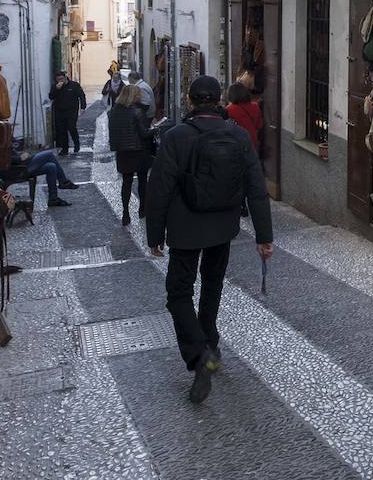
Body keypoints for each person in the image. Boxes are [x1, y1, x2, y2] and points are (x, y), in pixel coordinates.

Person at [146, 75, 272, 403]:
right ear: (218, 101)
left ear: (190, 100)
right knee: (212, 285)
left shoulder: (175, 137)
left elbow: (159, 188)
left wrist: (155, 234)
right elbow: (257, 188)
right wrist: (264, 236)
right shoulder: (238, 135)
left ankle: (200, 352)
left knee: (178, 293)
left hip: (185, 228)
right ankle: (210, 343)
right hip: (223, 227)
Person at [109, 84, 154, 226]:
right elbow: (144, 134)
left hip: (123, 152)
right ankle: (142, 210)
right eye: (138, 94)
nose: (140, 96)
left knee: (126, 183)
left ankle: (125, 213)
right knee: (142, 181)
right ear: (134, 96)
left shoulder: (114, 111)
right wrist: (155, 129)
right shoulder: (137, 111)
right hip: (139, 150)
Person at [49, 72, 86, 155]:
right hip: (60, 111)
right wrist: (56, 89)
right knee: (62, 130)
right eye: (58, 79)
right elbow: (51, 96)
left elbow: (81, 95)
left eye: (61, 79)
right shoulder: (55, 86)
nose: (60, 81)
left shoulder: (74, 85)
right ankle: (65, 149)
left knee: (71, 127)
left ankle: (76, 144)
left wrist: (83, 107)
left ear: (65, 78)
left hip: (72, 110)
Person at [224, 82, 262, 154]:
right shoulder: (255, 106)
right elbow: (259, 125)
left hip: (236, 144)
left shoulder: (229, 109)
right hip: (252, 142)